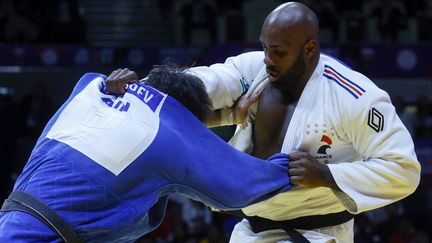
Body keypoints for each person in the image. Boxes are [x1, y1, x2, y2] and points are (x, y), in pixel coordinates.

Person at [105, 2, 421, 242]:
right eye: (265, 47)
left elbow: (403, 169)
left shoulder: (355, 96)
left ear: (309, 49)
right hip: (249, 229)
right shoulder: (258, 69)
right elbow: (208, 81)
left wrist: (328, 174)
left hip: (317, 232)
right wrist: (145, 86)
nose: (268, 58)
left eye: (279, 52)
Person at [0, 65, 295, 242]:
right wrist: (310, 163)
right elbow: (242, 185)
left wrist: (224, 117)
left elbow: (151, 116)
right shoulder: (170, 140)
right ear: (185, 124)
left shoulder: (92, 86)